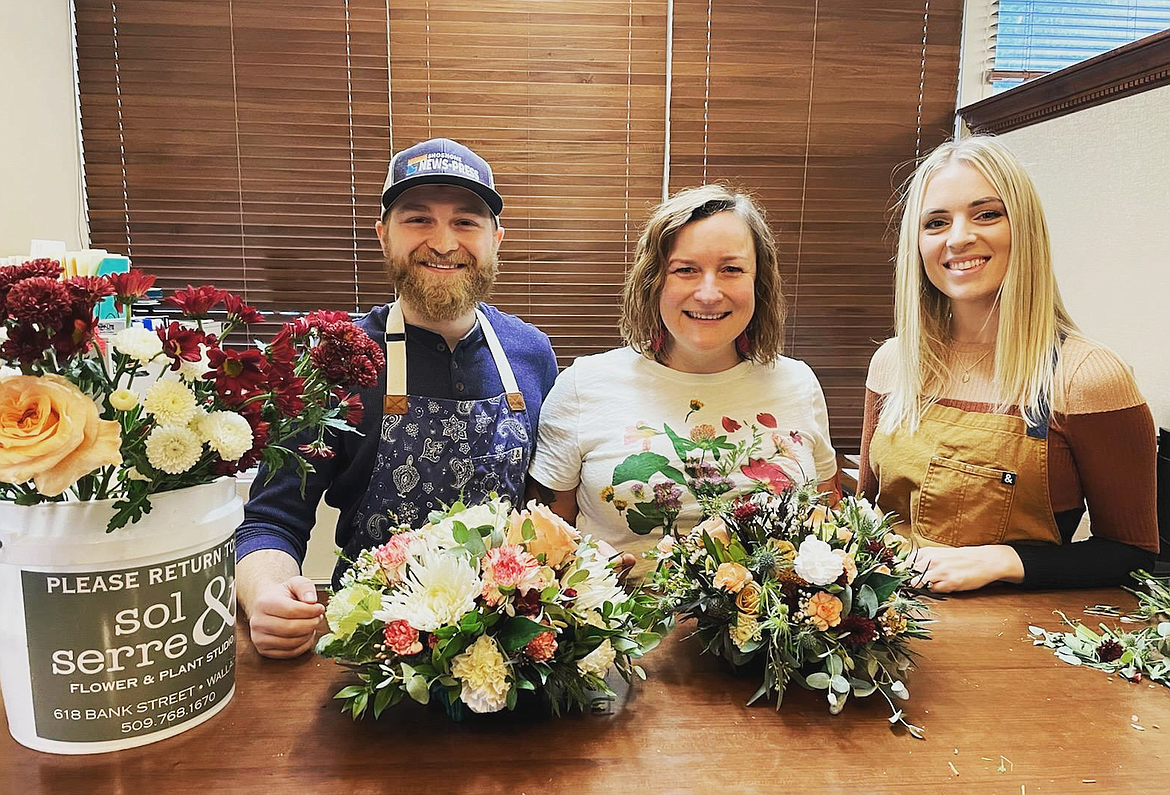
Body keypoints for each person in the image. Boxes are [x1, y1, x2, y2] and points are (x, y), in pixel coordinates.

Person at [236, 138, 559, 657]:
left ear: (497, 238)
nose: (444, 242)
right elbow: (271, 521)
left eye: (466, 222)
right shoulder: (333, 361)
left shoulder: (532, 353)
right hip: (373, 644)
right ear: (383, 233)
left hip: (508, 643)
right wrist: (265, 594)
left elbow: (547, 509)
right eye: (418, 220)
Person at [858, 136, 1158, 592]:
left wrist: (1008, 560)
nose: (959, 237)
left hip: (1010, 641)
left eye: (987, 214)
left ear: (1025, 228)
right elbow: (863, 517)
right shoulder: (892, 364)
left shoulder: (1087, 377)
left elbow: (1132, 555)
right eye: (936, 222)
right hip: (884, 626)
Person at [528, 185, 839, 571]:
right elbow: (545, 537)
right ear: (654, 280)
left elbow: (828, 520)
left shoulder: (798, 384)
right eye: (686, 270)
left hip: (772, 627)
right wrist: (584, 562)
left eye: (731, 269)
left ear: (758, 282)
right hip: (624, 624)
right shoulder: (584, 385)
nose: (709, 293)